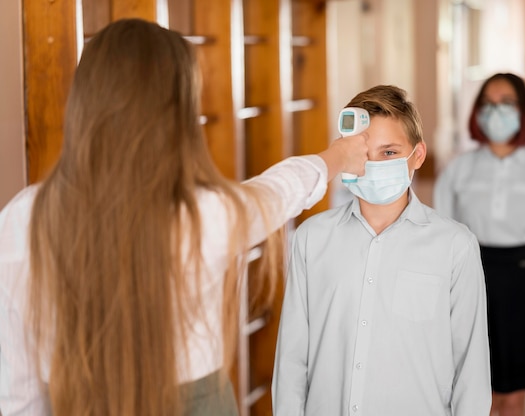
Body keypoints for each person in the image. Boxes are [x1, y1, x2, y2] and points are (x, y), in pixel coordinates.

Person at [0, 18, 368, 416]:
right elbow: (279, 191)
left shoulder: (23, 218)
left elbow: (16, 392)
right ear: (179, 115)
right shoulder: (208, 215)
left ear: (84, 104)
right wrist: (338, 157)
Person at [272, 85, 492, 416]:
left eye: (389, 152)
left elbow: (471, 371)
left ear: (417, 156)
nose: (374, 164)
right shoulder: (311, 239)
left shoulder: (455, 247)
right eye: (364, 153)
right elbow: (291, 362)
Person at [434, 73, 525, 416]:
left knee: (512, 396)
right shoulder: (458, 170)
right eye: (489, 103)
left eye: (507, 103)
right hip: (471, 284)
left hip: (524, 285)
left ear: (524, 111)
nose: (497, 111)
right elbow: (438, 239)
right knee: (474, 394)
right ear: (477, 112)